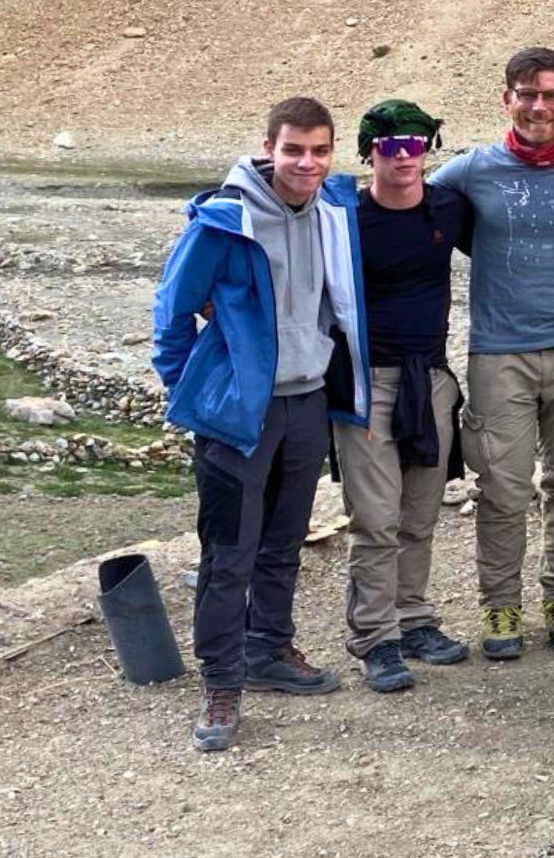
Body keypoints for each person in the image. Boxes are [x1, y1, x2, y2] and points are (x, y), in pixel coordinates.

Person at [152, 97, 371, 751]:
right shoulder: (225, 221)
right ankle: (222, 682)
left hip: (306, 403)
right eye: (294, 149)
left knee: (283, 541)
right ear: (268, 148)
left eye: (319, 149)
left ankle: (269, 648)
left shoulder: (333, 209)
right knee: (229, 555)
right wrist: (202, 391)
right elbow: (172, 313)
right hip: (238, 416)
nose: (307, 162)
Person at [426, 47, 554, 660]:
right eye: (526, 94)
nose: (538, 106)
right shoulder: (472, 171)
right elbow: (398, 200)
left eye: (550, 95)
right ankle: (500, 604)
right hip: (499, 352)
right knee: (502, 486)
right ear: (506, 99)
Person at [334, 100, 472, 693]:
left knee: (420, 512)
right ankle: (374, 637)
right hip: (368, 383)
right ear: (371, 152)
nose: (404, 158)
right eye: (391, 147)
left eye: (416, 146)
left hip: (432, 378)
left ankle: (413, 618)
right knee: (376, 518)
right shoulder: (342, 216)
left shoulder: (446, 206)